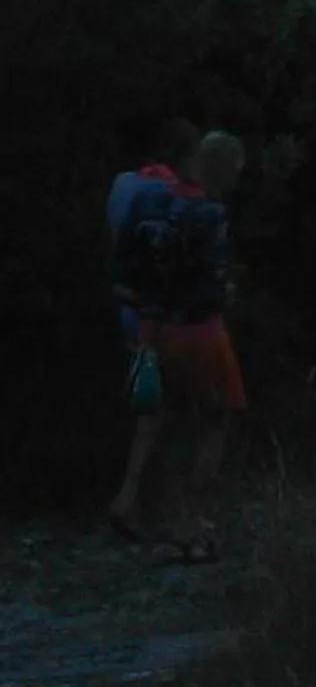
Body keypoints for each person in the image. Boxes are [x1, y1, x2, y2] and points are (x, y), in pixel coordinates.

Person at [109, 130, 248, 559]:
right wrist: (228, 291)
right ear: (225, 170)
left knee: (170, 422)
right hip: (202, 333)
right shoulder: (210, 213)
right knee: (215, 423)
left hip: (160, 331)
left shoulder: (160, 203)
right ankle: (196, 527)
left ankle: (172, 523)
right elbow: (211, 286)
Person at [105, 117, 203, 542]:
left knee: (151, 405)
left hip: (128, 308)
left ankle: (140, 502)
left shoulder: (123, 185)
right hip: (167, 316)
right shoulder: (182, 196)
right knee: (172, 409)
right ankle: (141, 502)